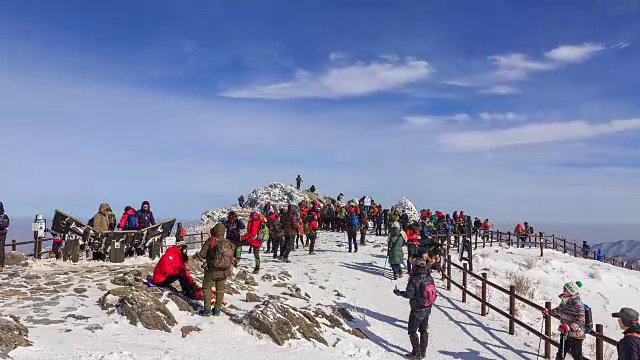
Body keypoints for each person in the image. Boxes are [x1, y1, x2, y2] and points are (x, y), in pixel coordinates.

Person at [393, 258, 436, 359]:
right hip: (427, 308)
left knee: (412, 331)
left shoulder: (414, 279)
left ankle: (416, 353)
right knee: (423, 330)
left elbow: (409, 294)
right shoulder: (429, 277)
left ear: (415, 267)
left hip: (417, 310)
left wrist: (399, 293)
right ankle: (423, 352)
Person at [198, 223, 237, 316]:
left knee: (206, 288)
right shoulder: (227, 242)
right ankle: (217, 310)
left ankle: (207, 310)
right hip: (224, 271)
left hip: (211, 270)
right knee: (220, 290)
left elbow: (202, 254)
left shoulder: (211, 240)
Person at [542, 281, 586, 360]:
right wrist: (548, 312)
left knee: (577, 356)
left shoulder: (578, 305)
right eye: (564, 289)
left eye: (565, 290)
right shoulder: (565, 301)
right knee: (560, 354)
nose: (563, 291)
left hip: (576, 335)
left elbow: (581, 321)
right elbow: (559, 310)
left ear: (571, 292)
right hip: (565, 332)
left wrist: (570, 327)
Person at [0, 202, 9, 272]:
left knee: (0, 249)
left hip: (1, 236)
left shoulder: (4, 217)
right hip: (2, 234)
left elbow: (4, 225)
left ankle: (1, 265)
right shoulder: (5, 217)